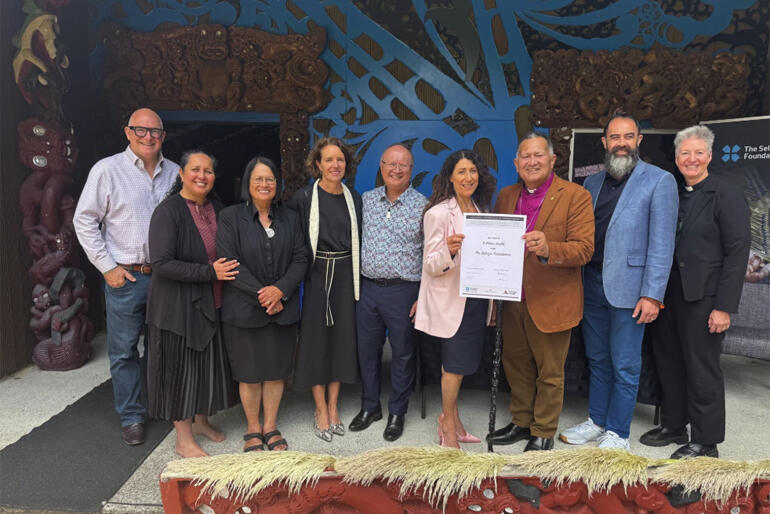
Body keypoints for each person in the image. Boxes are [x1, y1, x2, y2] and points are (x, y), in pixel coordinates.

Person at [559, 111, 678, 450]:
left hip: (632, 290)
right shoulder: (591, 183)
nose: (621, 143)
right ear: (604, 142)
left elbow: (662, 244)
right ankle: (597, 421)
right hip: (592, 285)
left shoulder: (659, 181)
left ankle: (618, 433)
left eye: (628, 137)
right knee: (597, 360)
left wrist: (653, 295)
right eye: (615, 137)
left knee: (624, 363)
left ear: (639, 140)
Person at [640, 125, 750, 459]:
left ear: (710, 156)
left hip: (705, 299)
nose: (691, 159)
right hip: (668, 296)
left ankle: (706, 441)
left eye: (698, 152)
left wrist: (724, 307)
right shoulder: (671, 190)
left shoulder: (726, 194)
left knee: (702, 370)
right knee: (669, 363)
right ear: (676, 157)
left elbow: (738, 253)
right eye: (685, 153)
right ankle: (674, 426)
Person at [73, 108, 178, 445]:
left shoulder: (175, 173)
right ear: (128, 132)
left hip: (166, 277)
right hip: (127, 277)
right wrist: (107, 267)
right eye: (141, 130)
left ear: (163, 135)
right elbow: (84, 220)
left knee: (166, 347)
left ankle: (166, 406)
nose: (149, 137)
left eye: (155, 132)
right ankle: (132, 416)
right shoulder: (107, 170)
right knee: (124, 351)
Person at [489, 133, 594, 451]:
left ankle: (544, 431)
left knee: (549, 371)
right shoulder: (506, 195)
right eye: (525, 157)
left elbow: (585, 249)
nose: (531, 162)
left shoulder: (575, 195)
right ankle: (521, 422)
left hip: (552, 299)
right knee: (516, 365)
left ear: (552, 160)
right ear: (516, 164)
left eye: (538, 156)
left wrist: (550, 248)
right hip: (513, 297)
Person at [145, 151, 239, 457]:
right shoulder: (169, 211)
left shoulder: (217, 207)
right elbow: (161, 263)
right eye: (196, 170)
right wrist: (209, 272)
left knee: (204, 368)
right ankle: (183, 438)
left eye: (208, 171)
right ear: (182, 174)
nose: (202, 176)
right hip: (177, 308)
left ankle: (201, 422)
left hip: (211, 302)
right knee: (179, 371)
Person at [217, 156, 308, 452]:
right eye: (258, 179)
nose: (264, 184)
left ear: (277, 184)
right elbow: (230, 263)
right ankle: (253, 427)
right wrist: (264, 295)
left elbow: (300, 258)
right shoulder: (231, 217)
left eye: (269, 179)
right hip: (244, 309)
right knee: (250, 373)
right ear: (248, 183)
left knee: (275, 371)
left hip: (282, 308)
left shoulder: (290, 217)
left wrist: (280, 291)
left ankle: (270, 425)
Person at [414, 149, 496, 448]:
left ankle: (454, 420)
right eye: (461, 171)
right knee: (454, 366)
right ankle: (447, 427)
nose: (468, 177)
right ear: (450, 176)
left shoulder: (482, 210)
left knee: (461, 365)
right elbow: (430, 265)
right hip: (450, 300)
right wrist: (448, 249)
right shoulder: (437, 213)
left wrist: (495, 296)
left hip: (476, 300)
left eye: (473, 171)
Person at [348, 144, 427, 442]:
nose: (396, 170)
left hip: (404, 290)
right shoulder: (365, 201)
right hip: (368, 288)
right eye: (391, 164)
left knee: (403, 353)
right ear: (381, 166)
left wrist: (424, 295)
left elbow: (431, 254)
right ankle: (370, 407)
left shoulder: (424, 206)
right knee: (367, 352)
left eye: (403, 165)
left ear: (411, 169)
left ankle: (397, 411)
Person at [288, 137, 362, 442]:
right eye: (329, 160)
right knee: (316, 342)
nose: (335, 165)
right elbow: (293, 245)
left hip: (345, 273)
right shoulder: (303, 198)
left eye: (340, 160)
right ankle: (319, 408)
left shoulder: (353, 198)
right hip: (316, 275)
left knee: (341, 341)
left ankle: (334, 406)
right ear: (317, 164)